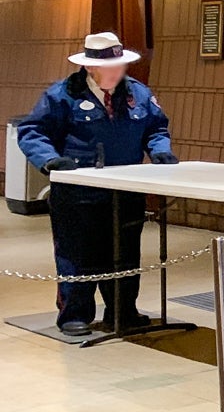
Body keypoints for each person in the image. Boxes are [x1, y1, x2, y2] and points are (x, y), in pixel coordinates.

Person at [16, 32, 179, 336]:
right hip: (78, 194)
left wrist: (160, 150)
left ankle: (123, 312)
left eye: (121, 66)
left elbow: (156, 127)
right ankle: (74, 314)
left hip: (126, 191)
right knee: (78, 254)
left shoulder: (138, 94)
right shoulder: (62, 95)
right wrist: (50, 159)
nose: (118, 73)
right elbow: (32, 132)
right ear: (91, 68)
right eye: (111, 67)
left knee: (125, 252)